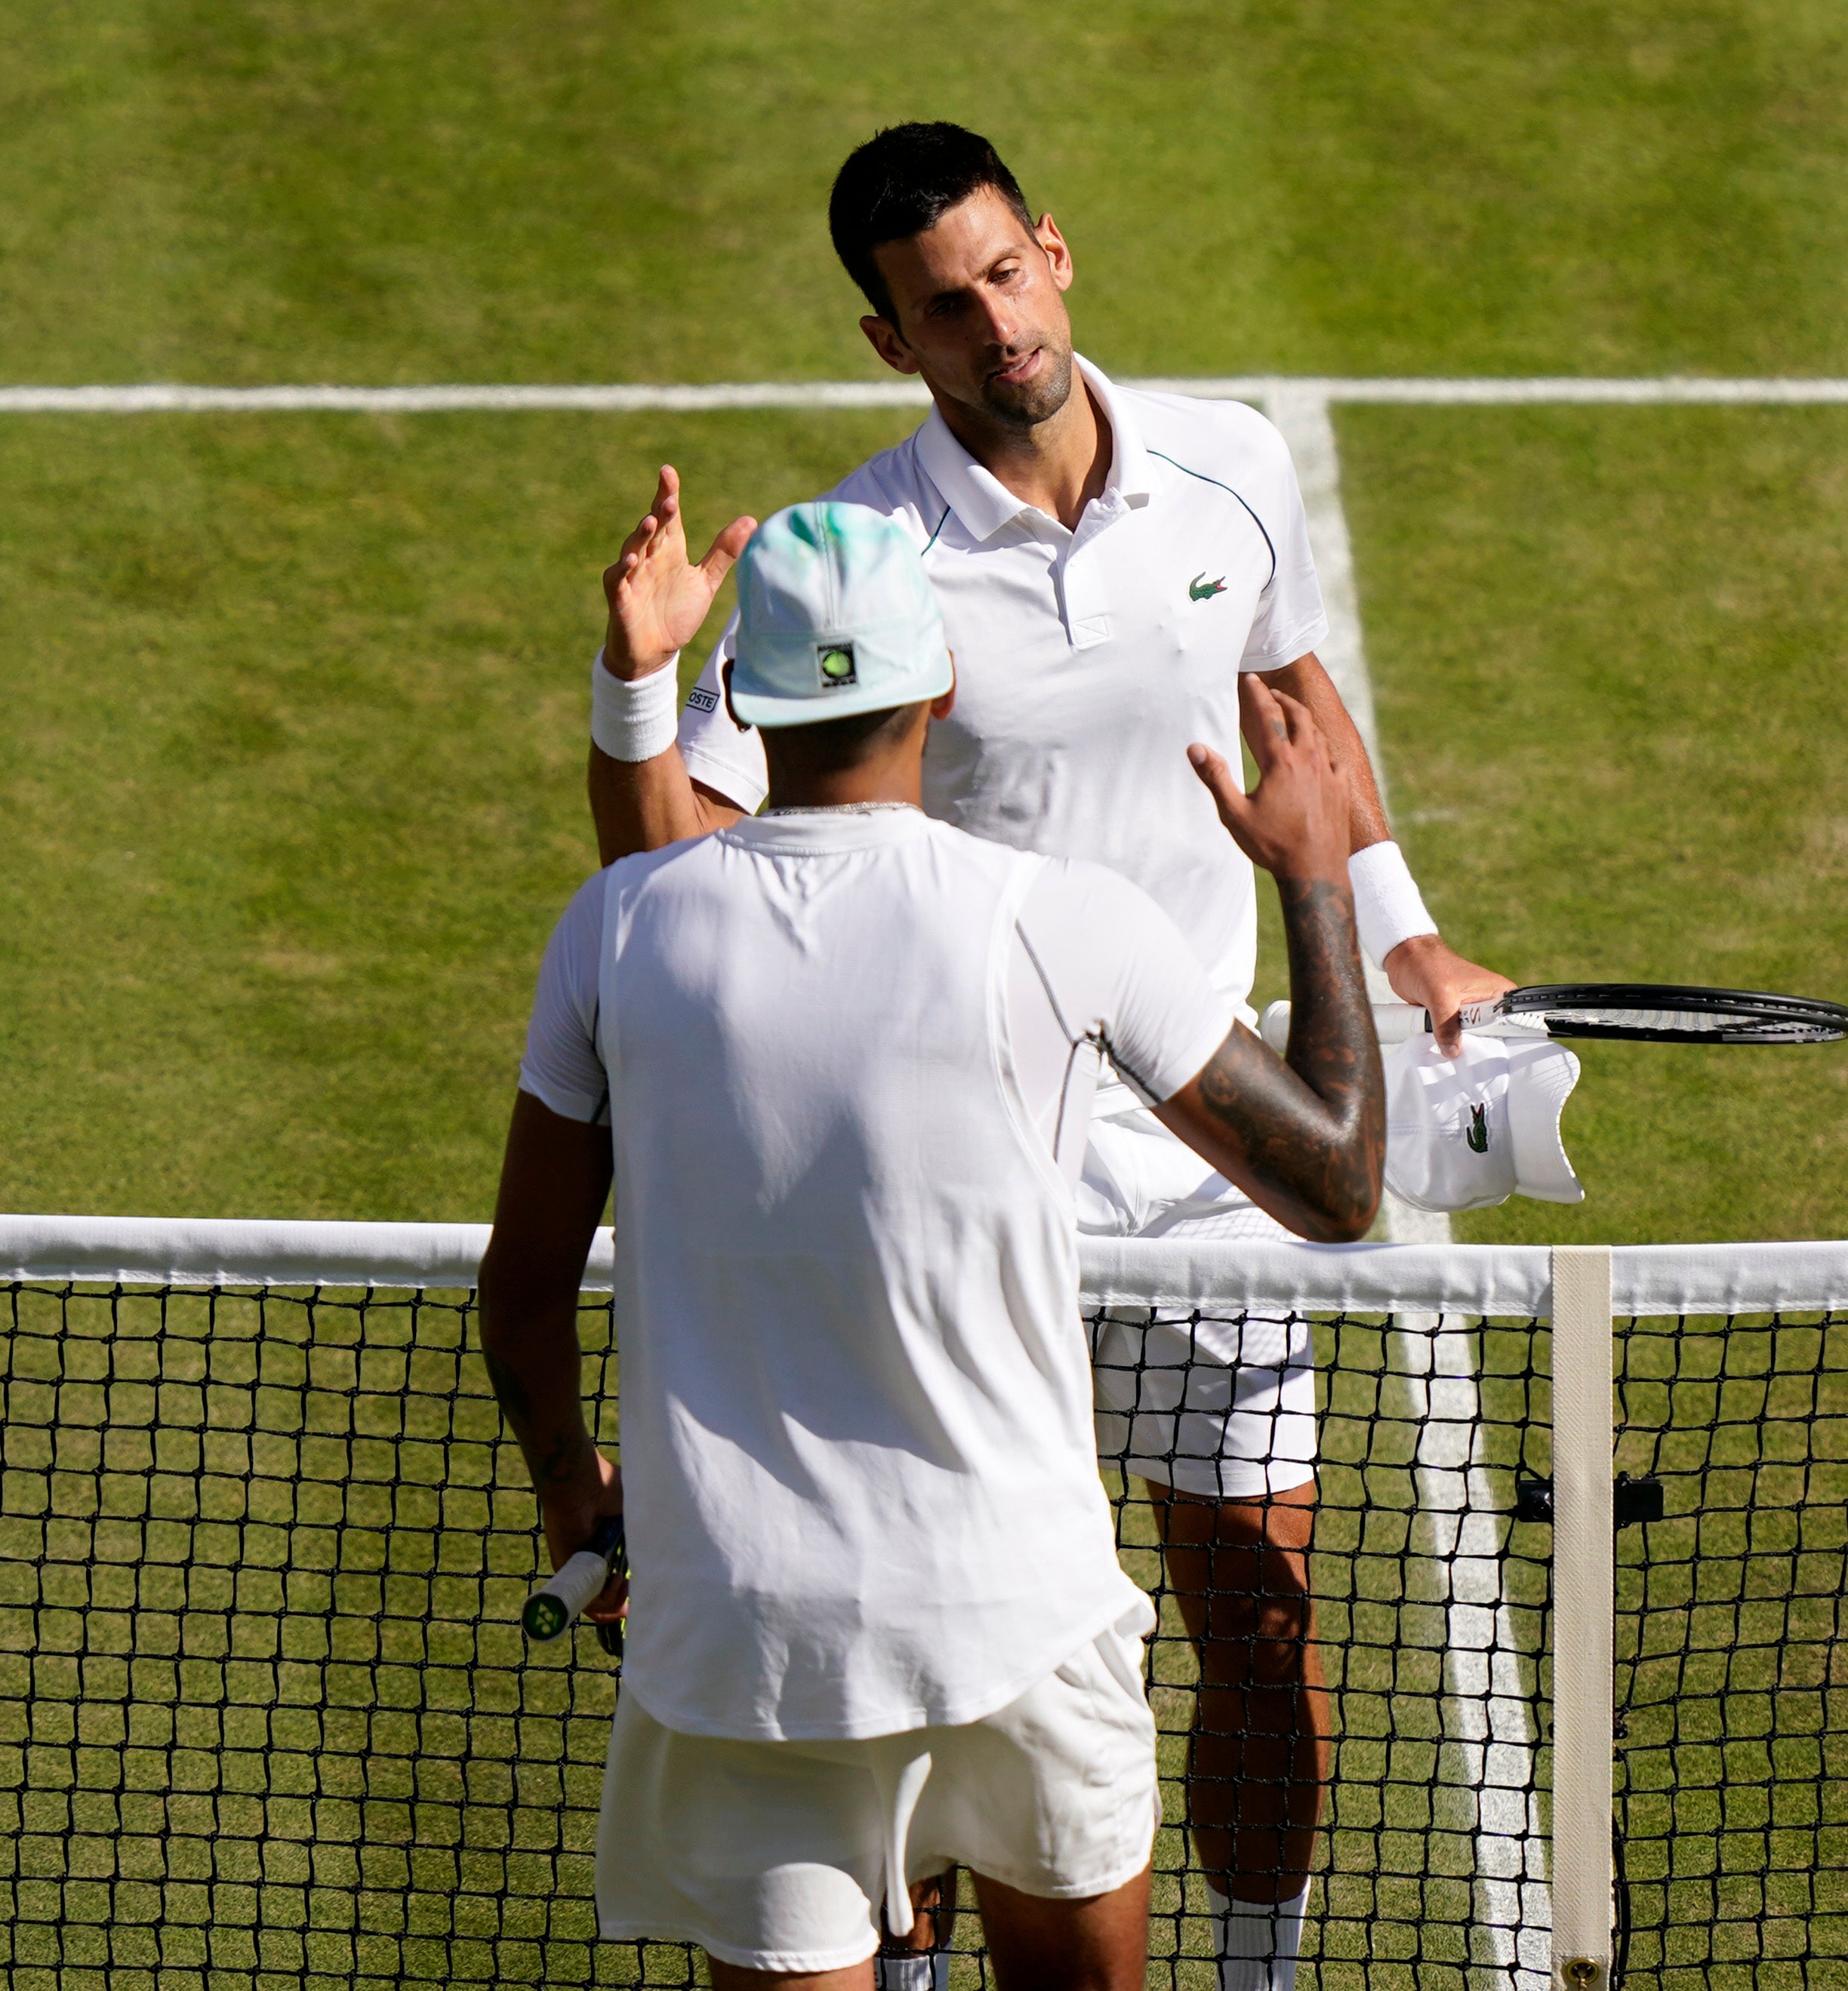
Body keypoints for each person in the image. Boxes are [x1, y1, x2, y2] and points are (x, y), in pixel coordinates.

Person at [577, 123, 1517, 1991]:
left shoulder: (1232, 469)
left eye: (1006, 276)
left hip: (1208, 1155)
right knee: (932, 1634)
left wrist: (1397, 921)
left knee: (1257, 1616)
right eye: (944, 306)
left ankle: (1251, 1969)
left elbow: (1290, 689)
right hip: (959, 1186)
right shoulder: (869, 558)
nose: (993, 325)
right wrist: (633, 690)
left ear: (1058, 256)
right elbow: (670, 867)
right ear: (888, 343)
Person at [479, 502, 1381, 1991]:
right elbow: (1339, 1179)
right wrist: (1315, 871)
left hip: (742, 1637)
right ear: (943, 678)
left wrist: (576, 1497)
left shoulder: (616, 928)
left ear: (749, 702)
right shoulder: (1067, 923)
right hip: (1015, 1619)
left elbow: (522, 1297)